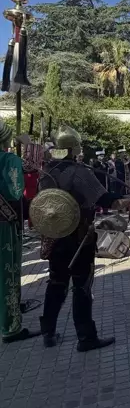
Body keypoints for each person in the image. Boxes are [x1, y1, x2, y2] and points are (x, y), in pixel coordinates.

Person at [37, 126, 128, 351]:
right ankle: (86, 337)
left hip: (55, 237)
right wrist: (126, 200)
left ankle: (48, 332)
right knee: (82, 286)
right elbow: (105, 199)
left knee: (56, 284)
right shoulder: (80, 171)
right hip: (79, 238)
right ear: (73, 148)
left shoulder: (47, 172)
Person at [0, 120, 40, 344]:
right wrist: (28, 143)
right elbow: (32, 166)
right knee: (8, 274)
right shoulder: (7, 159)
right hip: (4, 226)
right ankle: (11, 327)